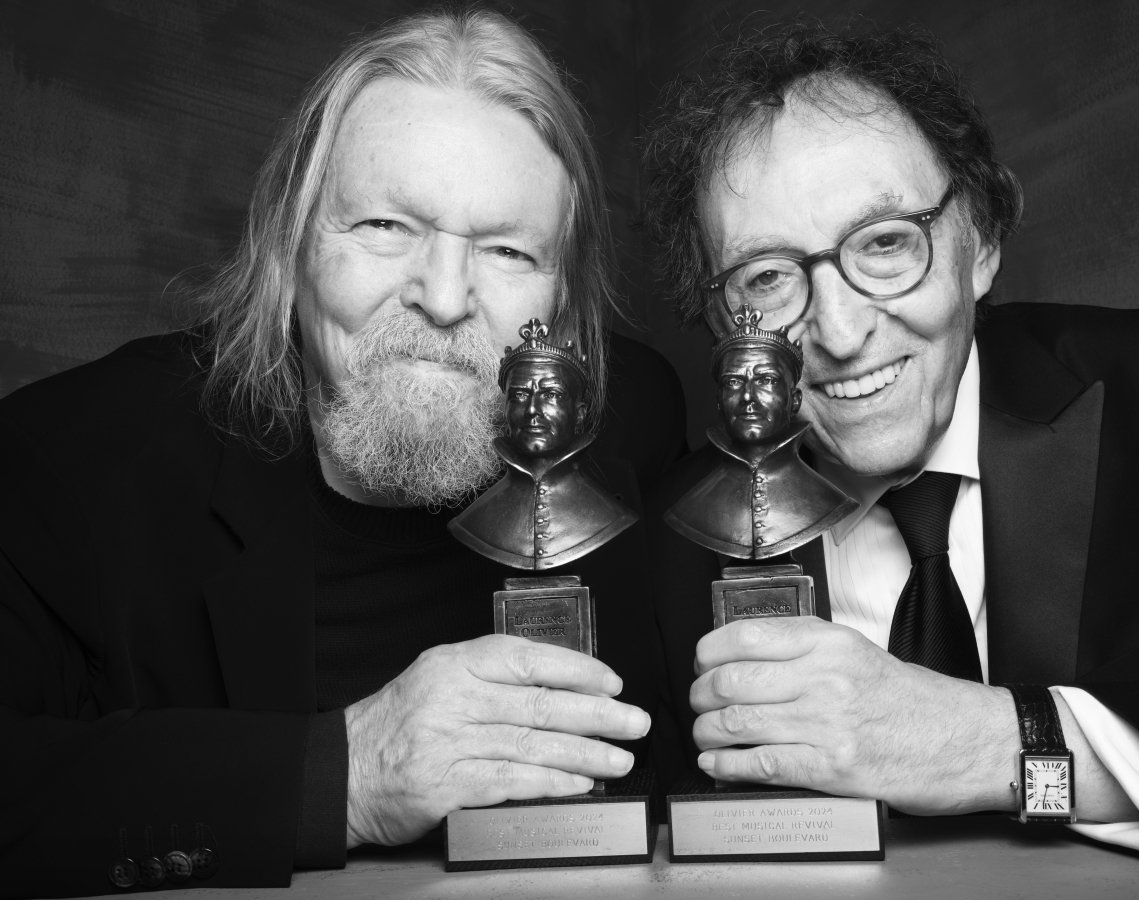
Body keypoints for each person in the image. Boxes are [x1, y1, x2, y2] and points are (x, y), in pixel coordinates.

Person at [0, 9, 684, 897]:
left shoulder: (631, 423)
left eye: (510, 250)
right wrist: (349, 773)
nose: (444, 297)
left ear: (564, 302)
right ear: (291, 246)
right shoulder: (75, 461)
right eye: (386, 226)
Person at [643, 20, 1139, 860]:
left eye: (886, 244)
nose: (839, 329)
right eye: (767, 277)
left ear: (979, 242)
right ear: (724, 321)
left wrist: (987, 743)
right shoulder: (668, 544)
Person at [663, 303, 856, 559]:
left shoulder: (831, 502)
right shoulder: (681, 507)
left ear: (794, 399)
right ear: (719, 400)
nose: (747, 397)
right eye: (733, 382)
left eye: (765, 380)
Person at [448, 318, 637, 570]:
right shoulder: (470, 522)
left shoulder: (614, 516)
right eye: (520, 395)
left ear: (579, 414)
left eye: (551, 395)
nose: (532, 410)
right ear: (504, 411)